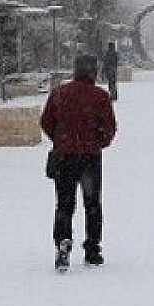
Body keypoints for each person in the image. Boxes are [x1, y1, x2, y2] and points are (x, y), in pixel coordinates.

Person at [40, 53, 117, 272]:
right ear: (93, 71)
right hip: (90, 157)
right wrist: (97, 142)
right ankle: (92, 249)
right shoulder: (100, 96)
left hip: (64, 156)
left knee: (64, 204)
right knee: (92, 204)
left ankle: (62, 242)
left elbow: (46, 121)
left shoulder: (59, 93)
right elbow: (109, 127)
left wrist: (60, 139)